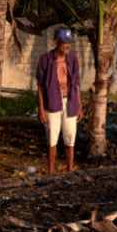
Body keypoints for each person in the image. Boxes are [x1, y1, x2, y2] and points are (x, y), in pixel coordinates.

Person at [36, 27, 82, 173]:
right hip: (52, 102)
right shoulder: (46, 59)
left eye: (69, 42)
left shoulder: (73, 59)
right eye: (64, 42)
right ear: (56, 43)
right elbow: (40, 86)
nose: (67, 45)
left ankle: (69, 169)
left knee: (70, 137)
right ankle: (51, 171)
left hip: (70, 102)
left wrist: (79, 106)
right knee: (52, 138)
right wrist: (41, 109)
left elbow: (76, 84)